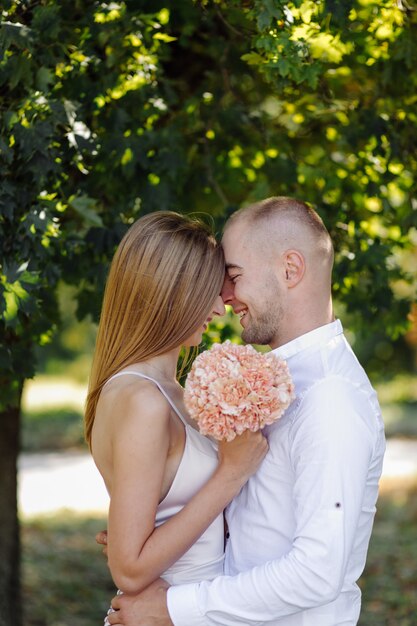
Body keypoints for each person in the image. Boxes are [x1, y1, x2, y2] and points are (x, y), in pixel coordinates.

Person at [104, 196, 386, 626]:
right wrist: (157, 539)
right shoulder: (268, 381)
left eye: (233, 276)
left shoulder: (331, 398)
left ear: (290, 269)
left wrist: (172, 608)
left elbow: (316, 572)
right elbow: (259, 519)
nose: (225, 296)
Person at [85, 211, 268, 615]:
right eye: (208, 291)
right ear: (171, 292)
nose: (220, 308)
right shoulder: (142, 401)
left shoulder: (171, 392)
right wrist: (232, 472)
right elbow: (130, 570)